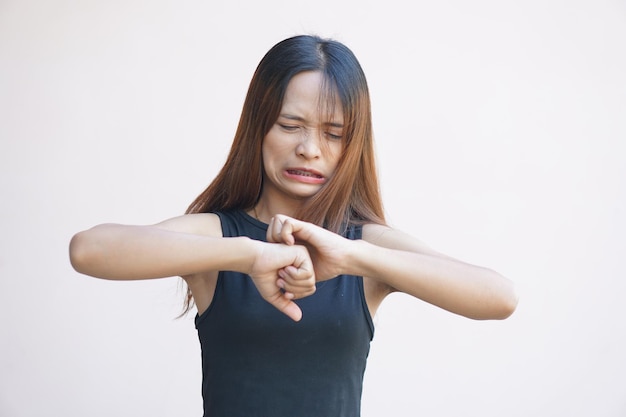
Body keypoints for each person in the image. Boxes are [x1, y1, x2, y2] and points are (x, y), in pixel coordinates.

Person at [69, 34, 518, 417]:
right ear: (258, 128)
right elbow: (90, 250)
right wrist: (249, 254)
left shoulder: (365, 245)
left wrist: (351, 255)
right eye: (290, 124)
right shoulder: (216, 236)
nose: (309, 148)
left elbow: (499, 297)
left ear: (352, 144)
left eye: (334, 133)